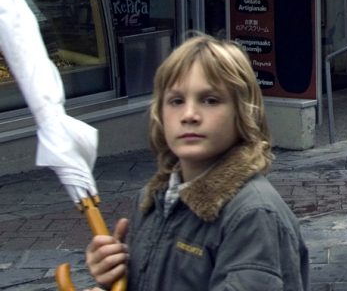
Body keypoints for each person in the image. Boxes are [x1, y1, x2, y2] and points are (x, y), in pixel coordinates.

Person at [85, 35, 309, 290]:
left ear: (243, 112)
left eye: (210, 100)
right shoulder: (151, 200)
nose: (189, 115)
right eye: (176, 101)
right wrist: (111, 278)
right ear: (160, 112)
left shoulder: (252, 214)